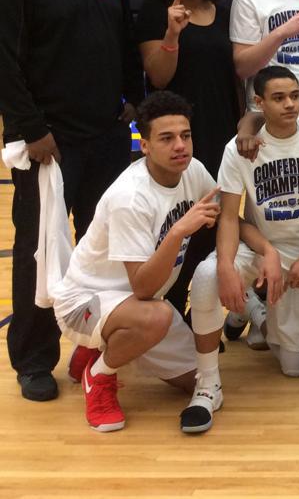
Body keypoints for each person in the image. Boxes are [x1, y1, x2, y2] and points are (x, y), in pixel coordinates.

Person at [0, 0, 143, 402]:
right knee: (42, 252)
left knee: (100, 251)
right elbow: (5, 60)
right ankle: (34, 359)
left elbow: (123, 44)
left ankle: (89, 344)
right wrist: (31, 129)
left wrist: (131, 98)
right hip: (49, 145)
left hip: (107, 136)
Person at [189, 66, 299, 421]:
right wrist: (226, 266)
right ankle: (207, 381)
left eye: (294, 95)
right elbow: (230, 216)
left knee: (295, 367)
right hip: (262, 244)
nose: (290, 104)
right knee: (206, 277)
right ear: (259, 103)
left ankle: (253, 310)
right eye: (279, 98)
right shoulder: (239, 149)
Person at [49, 92, 219, 432]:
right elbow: (143, 287)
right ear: (145, 146)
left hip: (133, 304)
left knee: (195, 380)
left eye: (185, 136)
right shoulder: (131, 197)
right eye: (166, 138)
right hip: (85, 302)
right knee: (154, 317)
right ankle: (99, 376)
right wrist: (178, 233)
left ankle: (99, 347)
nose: (180, 146)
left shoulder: (193, 171)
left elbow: (227, 215)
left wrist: (264, 250)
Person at [136, 0, 241, 319]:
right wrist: (172, 34)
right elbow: (159, 77)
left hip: (223, 127)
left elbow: (236, 74)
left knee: (217, 222)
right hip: (181, 132)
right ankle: (173, 308)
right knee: (184, 221)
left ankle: (206, 310)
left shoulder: (224, 9)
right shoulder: (154, 10)